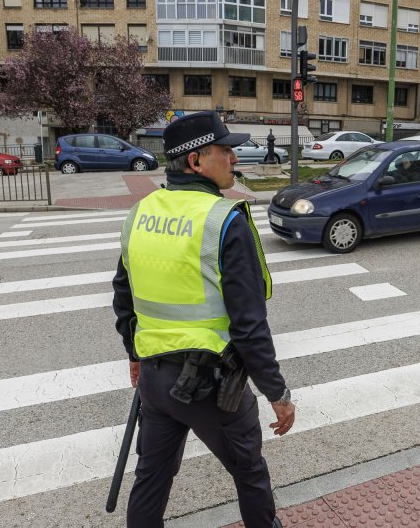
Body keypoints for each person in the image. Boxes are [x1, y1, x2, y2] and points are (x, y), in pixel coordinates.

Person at [112, 110, 295, 528]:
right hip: (211, 387)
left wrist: (134, 354)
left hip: (156, 382)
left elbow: (124, 296)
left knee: (151, 478)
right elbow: (249, 324)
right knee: (249, 474)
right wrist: (277, 393)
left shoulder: (140, 213)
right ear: (196, 161)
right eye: (226, 150)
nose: (235, 159)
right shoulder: (223, 220)